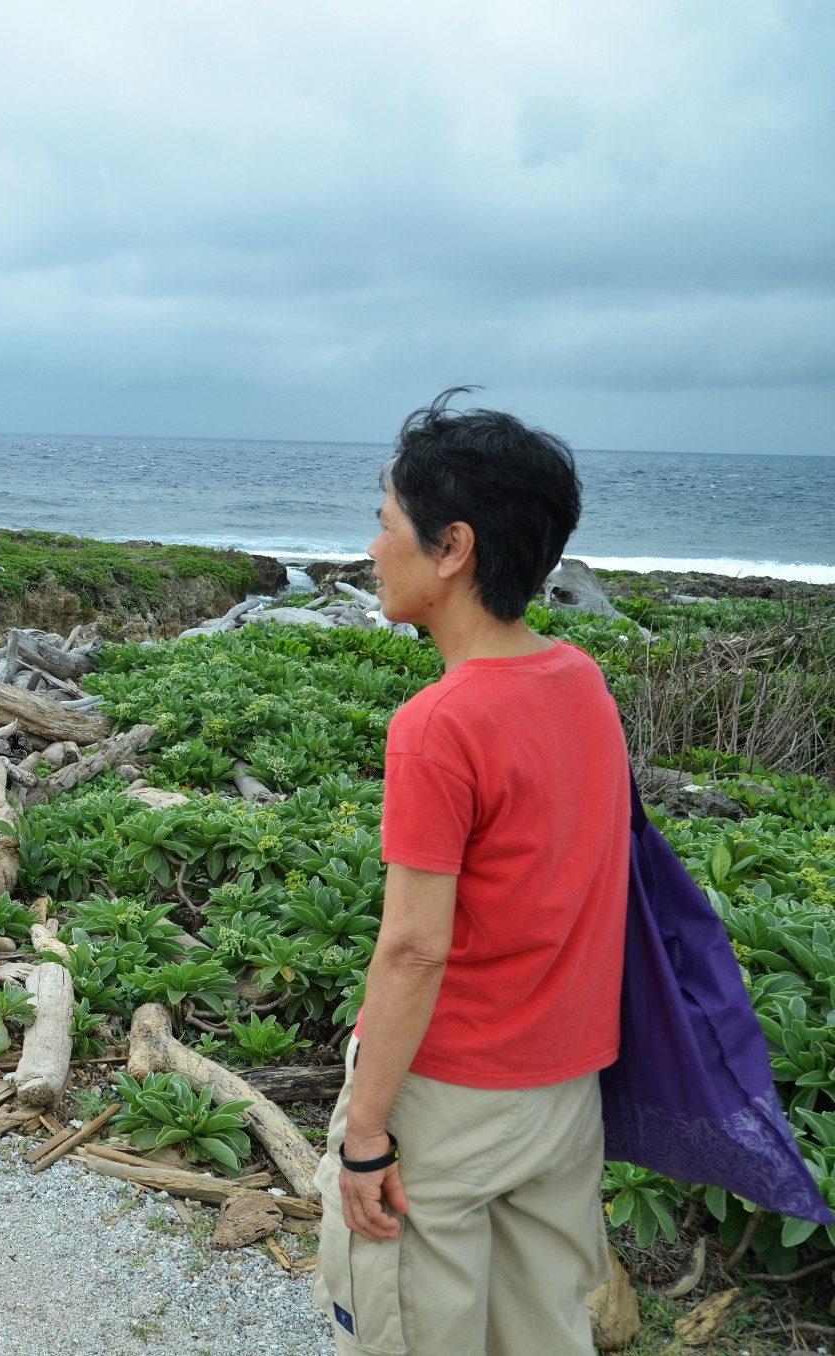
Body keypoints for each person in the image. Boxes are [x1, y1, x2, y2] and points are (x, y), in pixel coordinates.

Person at [311, 389, 630, 1356]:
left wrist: (365, 1134)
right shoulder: (581, 681)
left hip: (445, 1099)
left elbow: (412, 949)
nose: (372, 549)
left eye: (384, 524)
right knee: (541, 1337)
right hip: (565, 1093)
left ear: (452, 548)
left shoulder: (439, 724)